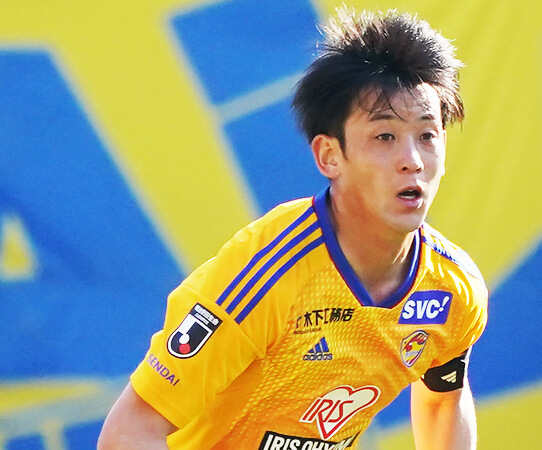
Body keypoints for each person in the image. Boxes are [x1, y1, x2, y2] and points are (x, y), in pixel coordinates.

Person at [98, 8, 488, 450]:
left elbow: (442, 400)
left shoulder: (454, 288)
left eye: (427, 135)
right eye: (385, 137)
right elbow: (128, 432)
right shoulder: (266, 272)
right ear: (329, 156)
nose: (412, 161)